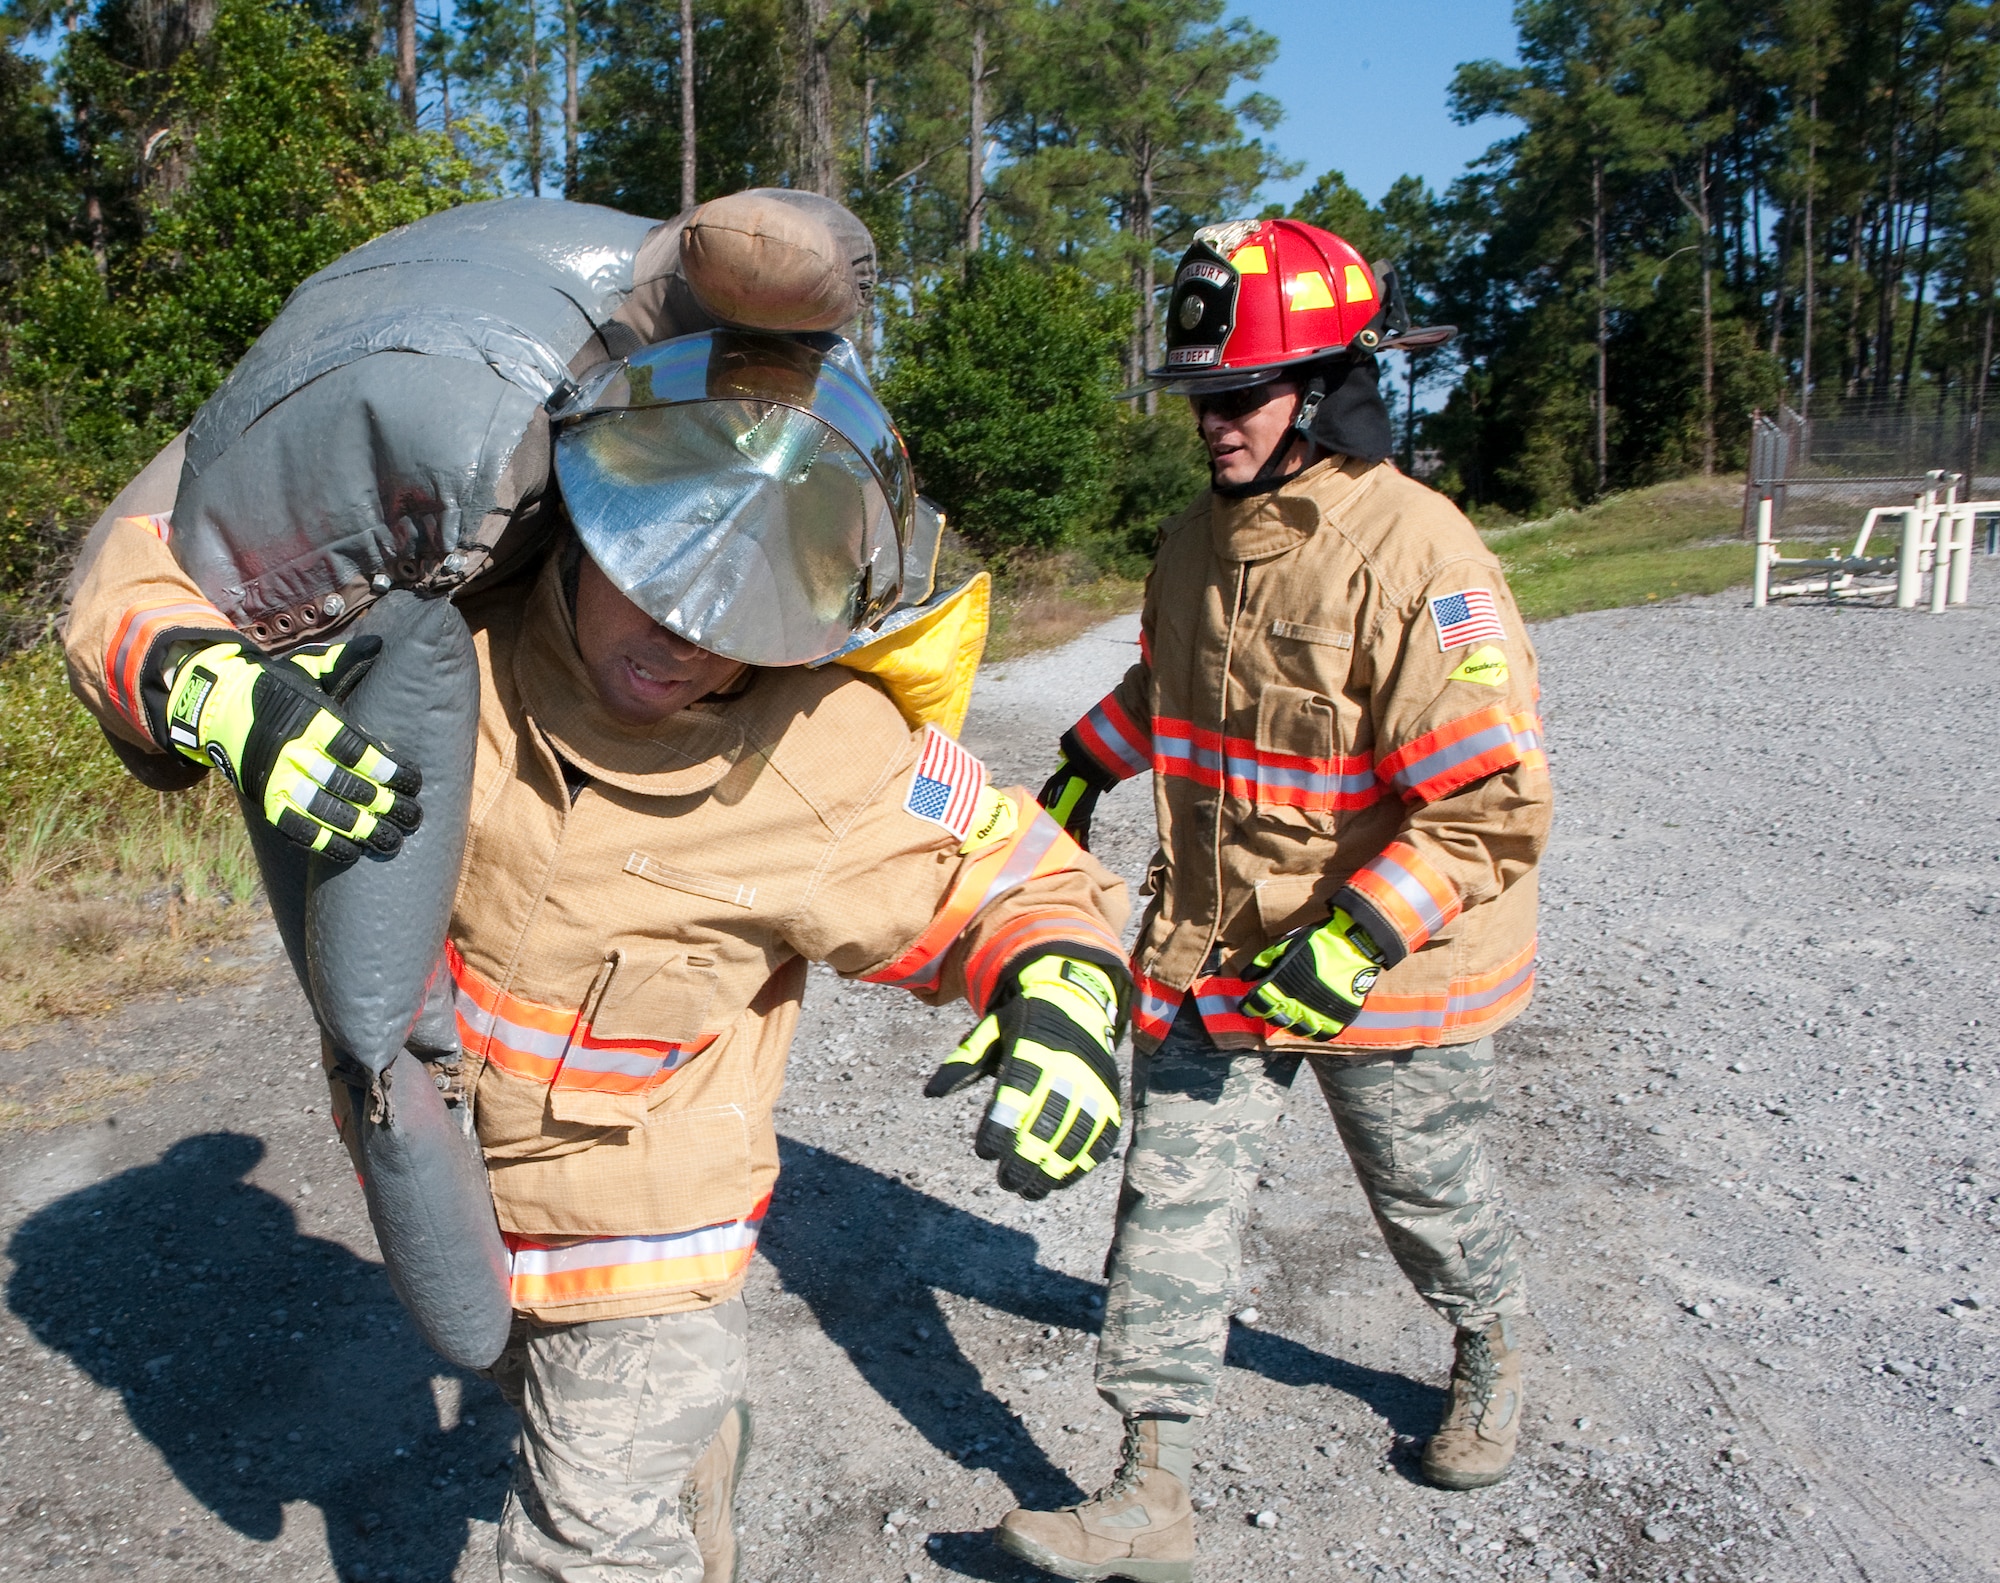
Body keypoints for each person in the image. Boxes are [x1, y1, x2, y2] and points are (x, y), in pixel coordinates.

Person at [62, 207, 1132, 1583]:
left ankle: (667, 1462)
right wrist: (207, 687)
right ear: (587, 507)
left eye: (737, 610)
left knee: (583, 1547)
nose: (682, 641)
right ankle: (698, 1457)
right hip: (462, 1205)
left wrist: (1060, 991)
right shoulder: (442, 653)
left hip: (652, 1254)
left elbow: (1021, 884)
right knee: (553, 1419)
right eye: (656, 579)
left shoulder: (825, 754)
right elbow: (136, 576)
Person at [997, 217, 1553, 1583]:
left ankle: (1487, 1348)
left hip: (1396, 963)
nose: (1215, 424)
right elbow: (1176, 691)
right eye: (1200, 398)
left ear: (1321, 388)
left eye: (1239, 395)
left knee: (1426, 1197)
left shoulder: (1422, 560)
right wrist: (1084, 765)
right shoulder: (1195, 543)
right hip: (1220, 948)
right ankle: (1151, 1486)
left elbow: (1490, 804)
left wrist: (1360, 937)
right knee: (1168, 1198)